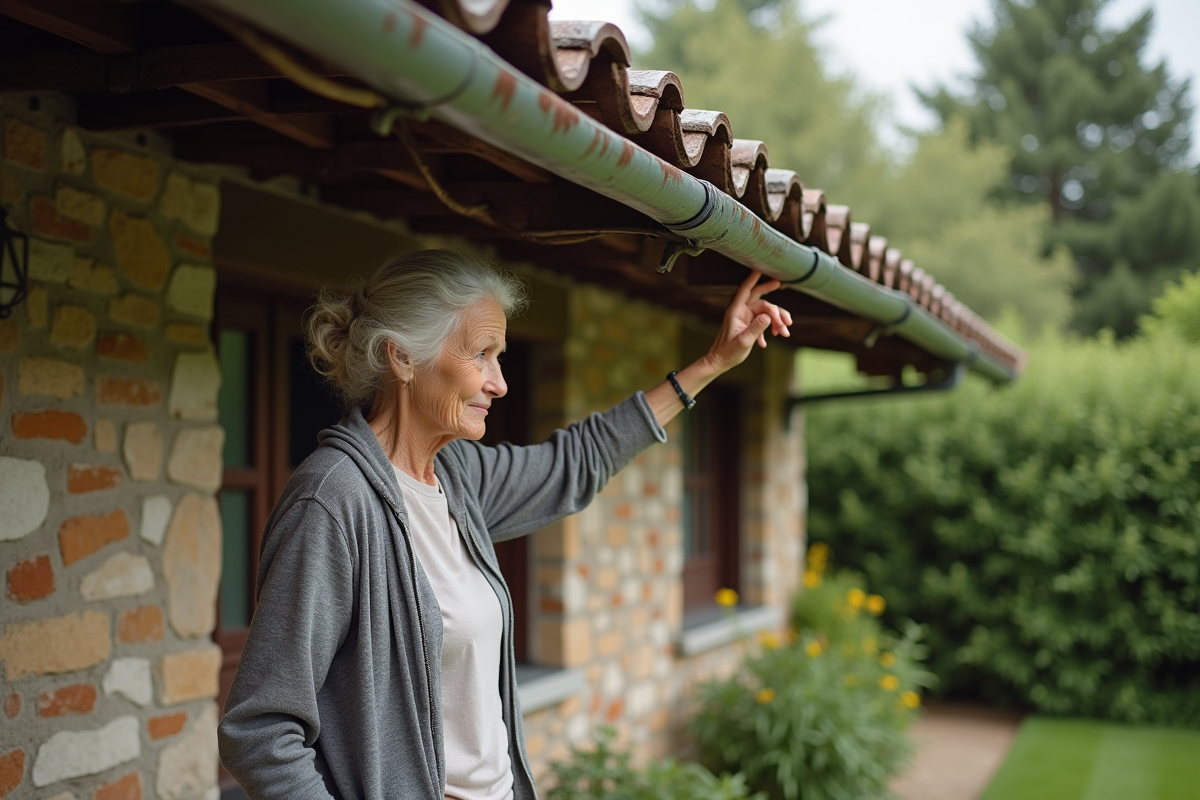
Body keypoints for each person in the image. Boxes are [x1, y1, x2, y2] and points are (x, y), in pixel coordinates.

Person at [217, 249, 793, 800]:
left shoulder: (457, 476)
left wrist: (712, 362)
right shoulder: (333, 503)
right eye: (481, 355)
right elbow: (261, 729)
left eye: (501, 356)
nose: (500, 383)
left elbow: (575, 462)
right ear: (402, 358)